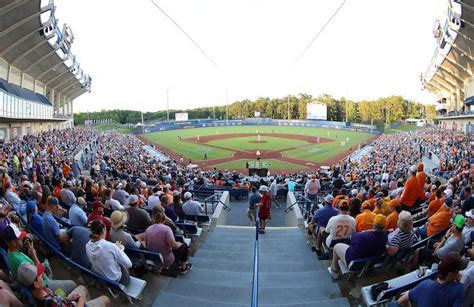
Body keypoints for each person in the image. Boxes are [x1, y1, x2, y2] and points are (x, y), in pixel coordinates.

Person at [3, 224, 77, 294]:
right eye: (20, 238)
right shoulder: (20, 261)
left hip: (34, 279)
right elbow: (43, 276)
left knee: (45, 264)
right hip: (44, 285)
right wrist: (33, 255)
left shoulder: (10, 253)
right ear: (13, 242)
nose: (22, 238)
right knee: (73, 284)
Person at [18, 262, 111, 307]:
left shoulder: (41, 291)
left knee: (82, 287)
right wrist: (81, 302)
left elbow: (58, 300)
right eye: (40, 276)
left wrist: (69, 298)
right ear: (36, 284)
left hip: (68, 302)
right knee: (106, 299)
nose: (43, 276)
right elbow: (55, 302)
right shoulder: (49, 302)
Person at [329, 214, 388, 280]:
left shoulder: (363, 236)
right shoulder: (385, 237)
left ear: (374, 224)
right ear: (384, 226)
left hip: (353, 261)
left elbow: (352, 237)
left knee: (336, 246)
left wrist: (364, 232)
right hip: (370, 263)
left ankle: (334, 272)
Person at [397, 252, 467, 307]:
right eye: (458, 270)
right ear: (450, 275)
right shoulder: (458, 289)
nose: (459, 272)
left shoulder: (425, 284)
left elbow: (400, 301)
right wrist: (456, 283)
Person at [86, 219, 132, 285]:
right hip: (116, 281)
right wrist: (119, 249)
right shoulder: (110, 246)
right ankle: (126, 286)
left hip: (101, 278)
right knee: (123, 264)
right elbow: (129, 264)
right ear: (103, 230)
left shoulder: (87, 245)